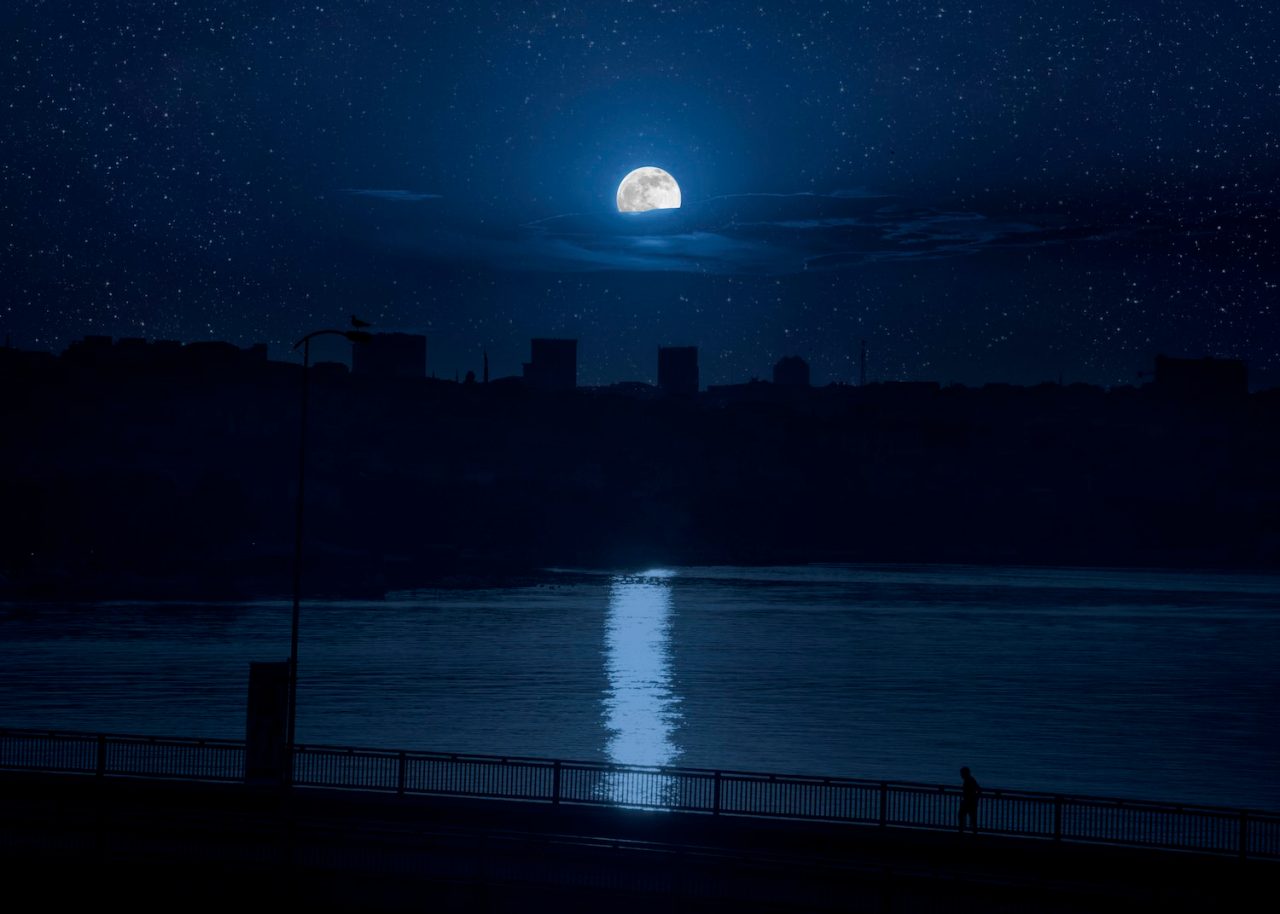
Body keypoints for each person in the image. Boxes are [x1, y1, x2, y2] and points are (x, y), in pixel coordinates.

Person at [958, 766, 980, 834]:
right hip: (972, 802)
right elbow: (979, 789)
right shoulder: (971, 779)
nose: (961, 775)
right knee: (972, 818)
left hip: (967, 802)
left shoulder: (967, 781)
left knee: (961, 816)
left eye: (961, 773)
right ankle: (974, 832)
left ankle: (961, 831)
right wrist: (976, 798)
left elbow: (968, 792)